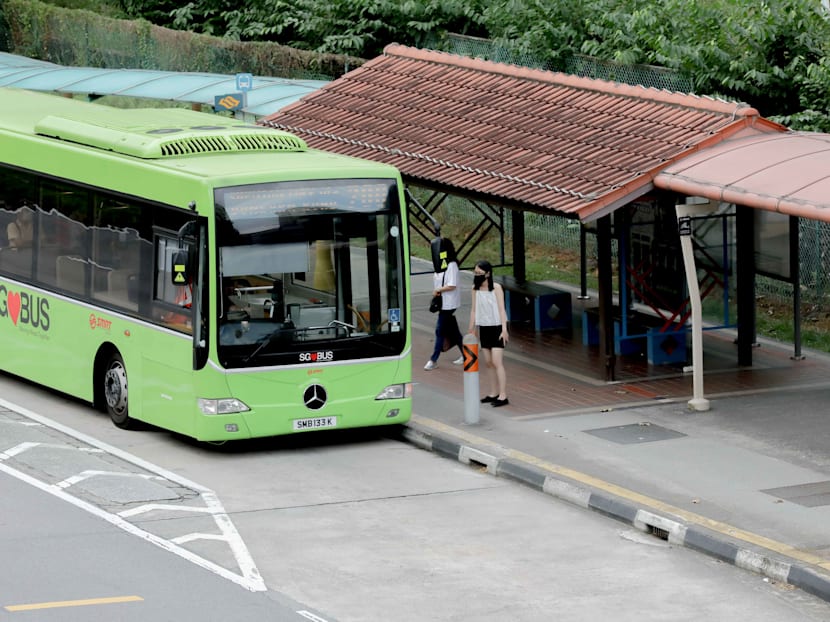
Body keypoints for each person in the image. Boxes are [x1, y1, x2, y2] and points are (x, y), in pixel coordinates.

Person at [467, 259, 509, 407]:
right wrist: (471, 329)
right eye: (475, 272)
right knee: (489, 363)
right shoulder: (475, 289)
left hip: (497, 327)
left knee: (497, 362)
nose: (477, 275)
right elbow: (473, 309)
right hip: (484, 327)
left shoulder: (496, 288)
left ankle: (503, 395)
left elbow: (501, 309)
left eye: (480, 273)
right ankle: (493, 392)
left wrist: (504, 329)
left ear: (488, 274)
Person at [424, 238, 465, 370]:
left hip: (449, 303)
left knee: (440, 330)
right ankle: (467, 354)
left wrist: (438, 290)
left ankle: (433, 359)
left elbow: (452, 285)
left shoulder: (451, 265)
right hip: (443, 302)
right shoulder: (441, 264)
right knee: (455, 332)